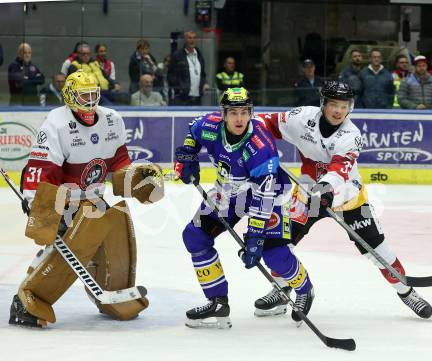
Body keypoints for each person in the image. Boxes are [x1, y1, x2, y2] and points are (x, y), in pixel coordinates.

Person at [254, 80, 432, 319]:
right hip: (308, 195)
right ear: (323, 104)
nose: (339, 111)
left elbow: (340, 168)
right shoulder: (302, 118)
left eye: (344, 105)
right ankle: (282, 289)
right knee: (280, 242)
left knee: (378, 249)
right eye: (333, 105)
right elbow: (265, 122)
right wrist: (254, 137)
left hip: (349, 196)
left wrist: (326, 188)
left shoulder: (352, 135)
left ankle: (406, 291)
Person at [8, 70, 164, 328]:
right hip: (66, 200)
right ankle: (27, 299)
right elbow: (42, 168)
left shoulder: (112, 120)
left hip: (95, 197)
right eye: (84, 95)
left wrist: (136, 178)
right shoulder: (56, 123)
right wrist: (40, 204)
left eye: (94, 94)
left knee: (117, 229)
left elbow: (120, 161)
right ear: (70, 97)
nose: (90, 101)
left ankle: (113, 295)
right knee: (68, 249)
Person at [173, 87, 315, 328]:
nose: (239, 118)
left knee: (273, 253)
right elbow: (192, 132)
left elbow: (264, 194)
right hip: (227, 192)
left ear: (251, 113)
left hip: (267, 196)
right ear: (223, 114)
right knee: (195, 237)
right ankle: (217, 301)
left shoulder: (260, 146)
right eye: (233, 113)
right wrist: (187, 155)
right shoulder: (209, 126)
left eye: (244, 112)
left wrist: (256, 235)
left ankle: (304, 289)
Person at [168, 31, 209, 105]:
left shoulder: (199, 55)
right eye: (190, 38)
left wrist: (205, 83)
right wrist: (180, 87)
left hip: (197, 96)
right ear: (185, 40)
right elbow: (171, 75)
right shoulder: (177, 55)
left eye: (194, 38)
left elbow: (202, 74)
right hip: (182, 97)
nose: (192, 40)